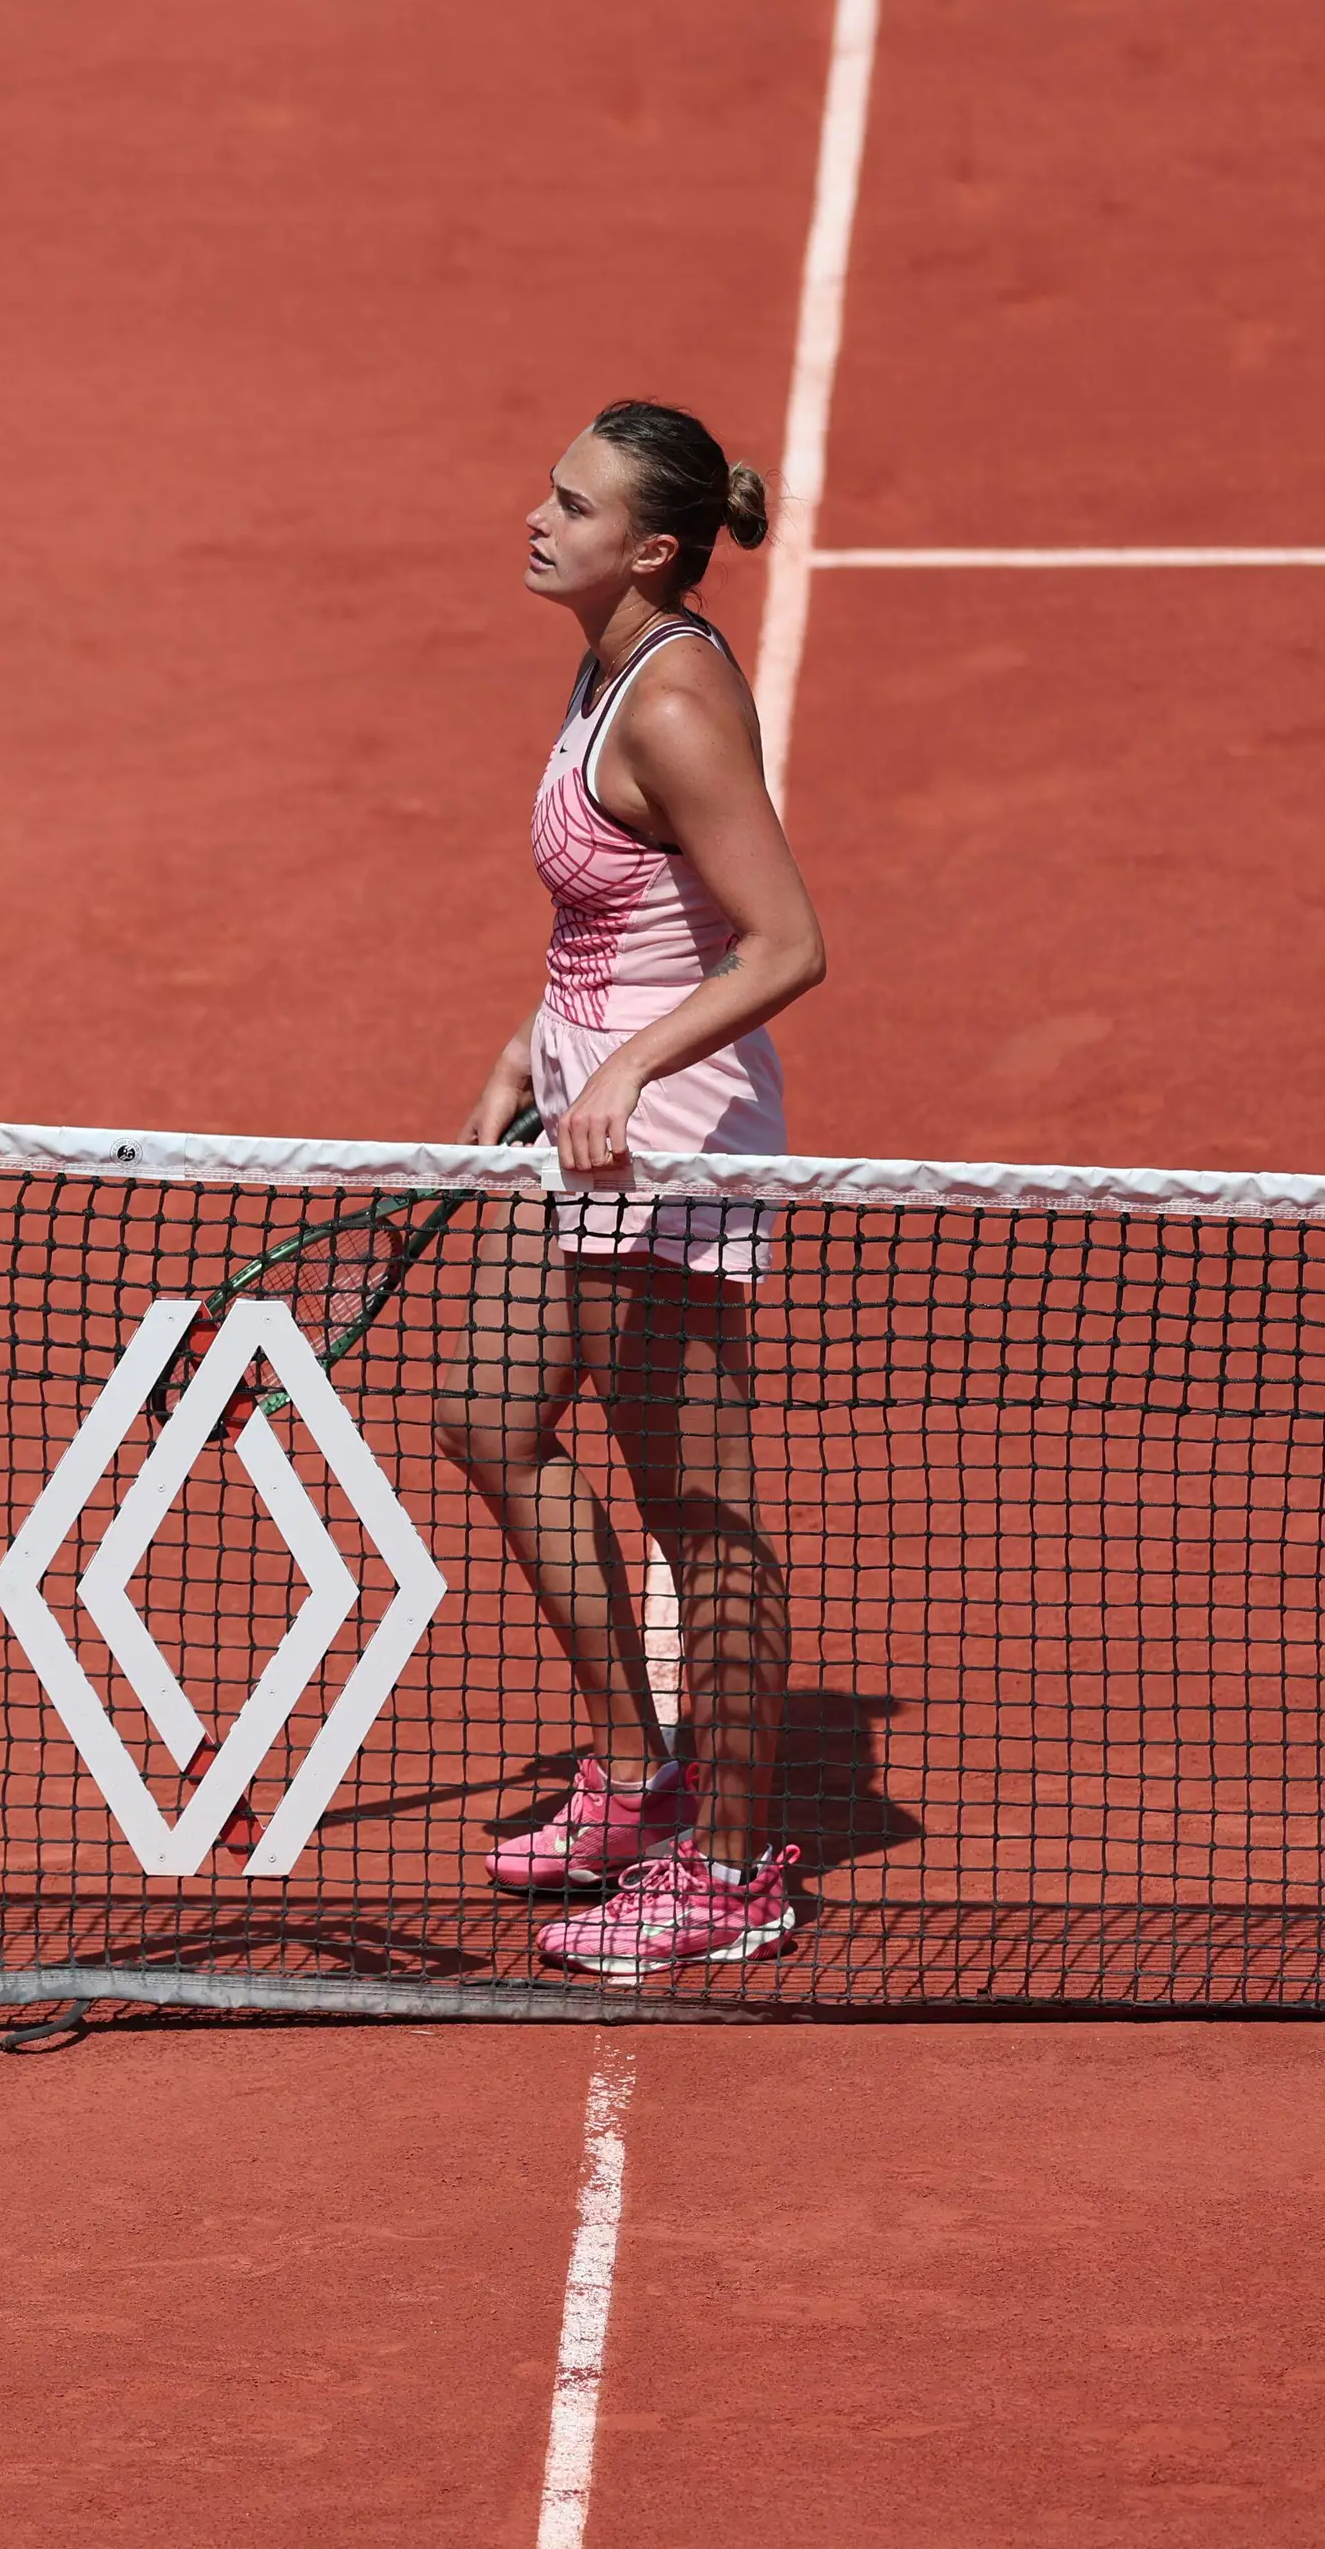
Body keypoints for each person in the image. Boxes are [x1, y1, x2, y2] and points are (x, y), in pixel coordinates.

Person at [436, 399, 827, 1979]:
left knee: (696, 1508)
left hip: (664, 1143)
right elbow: (618, 924)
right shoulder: (604, 651)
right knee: (486, 1415)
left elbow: (786, 943)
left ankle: (733, 1866)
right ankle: (633, 1773)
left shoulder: (668, 709)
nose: (539, 516)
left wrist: (619, 1074)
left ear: (652, 549)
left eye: (574, 504)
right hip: (589, 1111)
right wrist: (528, 1054)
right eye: (549, 487)